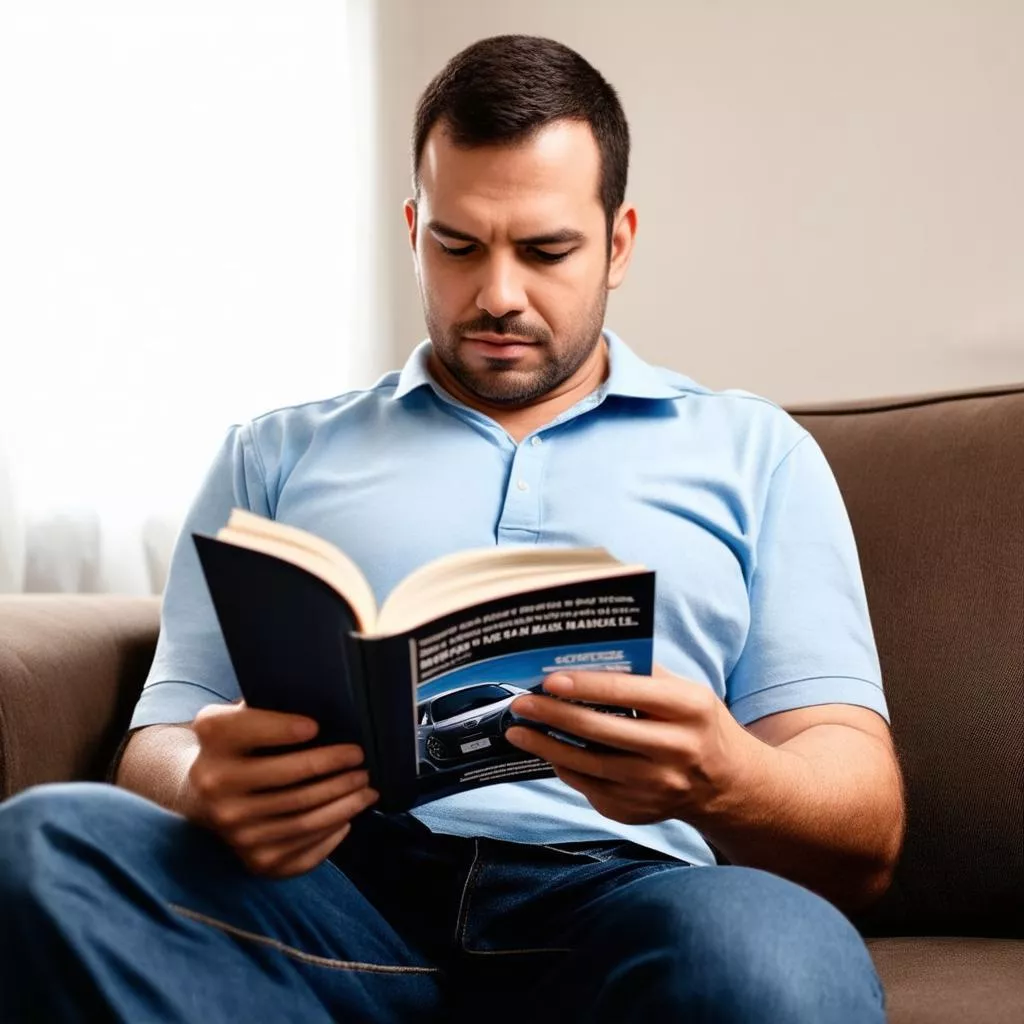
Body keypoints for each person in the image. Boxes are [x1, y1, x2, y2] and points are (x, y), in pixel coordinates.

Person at [0, 35, 903, 1023]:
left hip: (626, 904)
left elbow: (865, 821)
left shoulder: (756, 453)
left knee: (772, 956)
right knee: (43, 848)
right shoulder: (274, 452)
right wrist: (200, 786)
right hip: (333, 901)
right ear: (413, 230)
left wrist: (726, 776)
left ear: (619, 242)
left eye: (546, 251)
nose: (498, 295)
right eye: (458, 245)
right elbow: (164, 738)